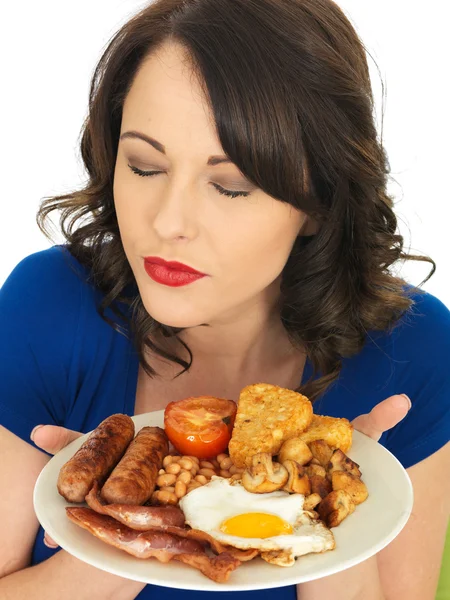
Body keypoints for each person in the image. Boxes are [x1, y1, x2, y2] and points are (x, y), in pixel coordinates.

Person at [0, 0, 449, 598]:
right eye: (144, 165)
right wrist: (130, 530)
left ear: (317, 202)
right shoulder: (45, 307)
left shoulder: (414, 352)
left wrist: (331, 523)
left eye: (231, 186)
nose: (169, 223)